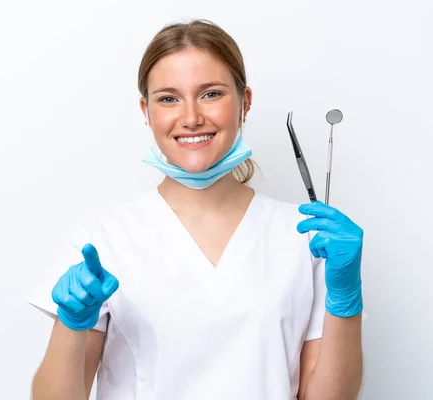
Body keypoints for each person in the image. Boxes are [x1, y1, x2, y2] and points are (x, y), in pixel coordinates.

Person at [29, 19, 364, 400]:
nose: (190, 117)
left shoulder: (308, 237)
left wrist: (346, 297)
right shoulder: (104, 237)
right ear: (146, 109)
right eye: (169, 98)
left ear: (245, 102)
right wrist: (72, 325)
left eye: (211, 94)